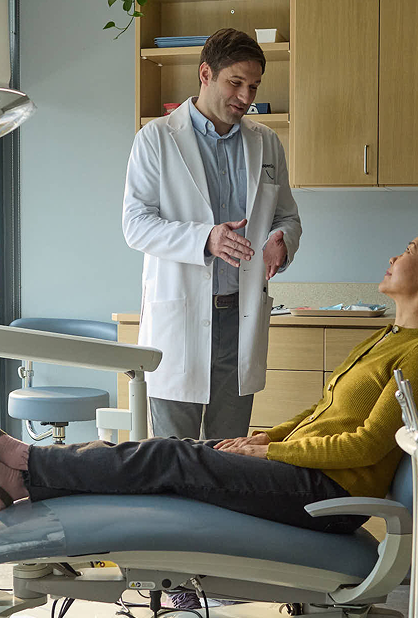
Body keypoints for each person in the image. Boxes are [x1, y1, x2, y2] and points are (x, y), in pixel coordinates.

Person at [0, 228, 418, 537]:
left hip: (326, 495)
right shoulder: (390, 339)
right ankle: (27, 477)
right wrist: (267, 441)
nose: (394, 255)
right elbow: (321, 414)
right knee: (173, 449)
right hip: (307, 476)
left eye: (410, 251)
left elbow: (366, 445)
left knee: (170, 461)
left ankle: (24, 464)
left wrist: (273, 454)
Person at [122, 28, 302, 441]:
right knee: (173, 454)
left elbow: (288, 217)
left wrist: (282, 241)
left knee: (229, 454)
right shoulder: (156, 139)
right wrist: (207, 239)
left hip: (240, 315)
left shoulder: (267, 143)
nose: (245, 97)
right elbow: (136, 224)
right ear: (206, 74)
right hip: (179, 317)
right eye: (235, 83)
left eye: (253, 86)